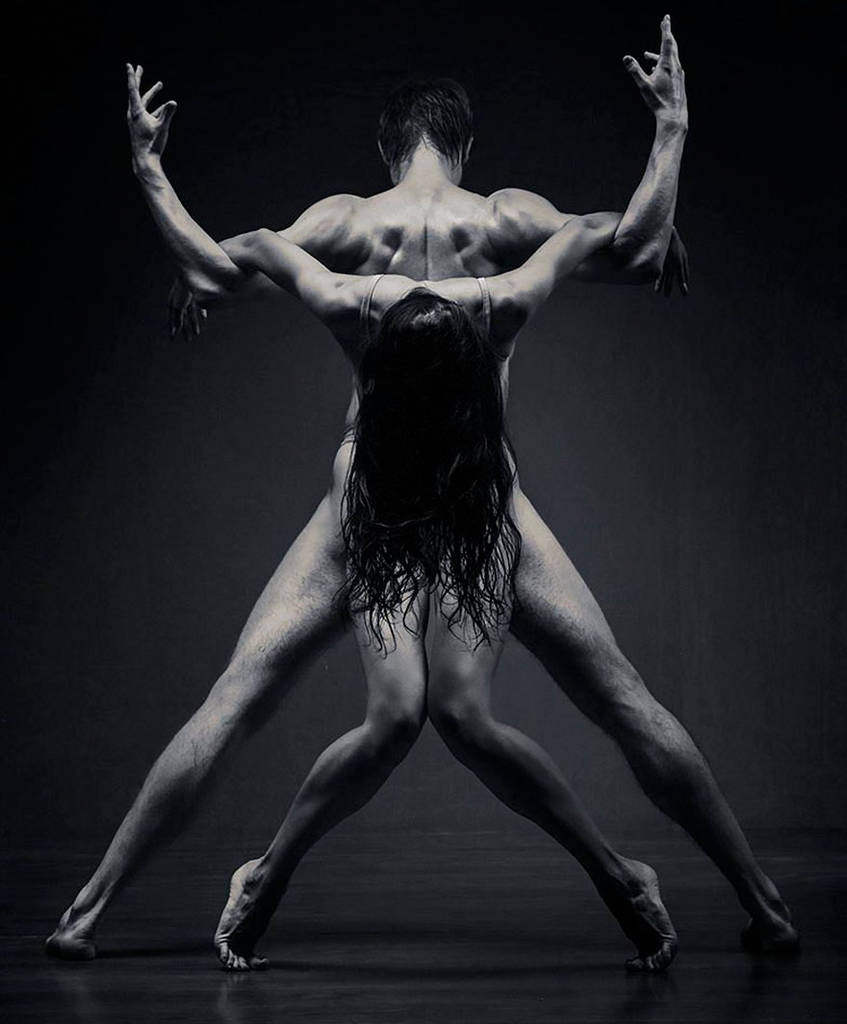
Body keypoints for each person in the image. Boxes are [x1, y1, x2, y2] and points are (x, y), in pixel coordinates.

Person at [46, 16, 796, 968]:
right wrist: (669, 137)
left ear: (386, 146)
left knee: (237, 700)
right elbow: (635, 247)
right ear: (464, 145)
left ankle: (86, 914)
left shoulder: (346, 229)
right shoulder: (507, 227)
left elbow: (230, 263)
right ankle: (764, 906)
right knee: (618, 698)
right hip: (480, 489)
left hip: (372, 488)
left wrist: (157, 181)